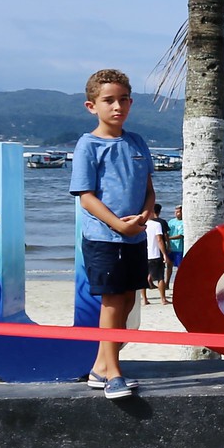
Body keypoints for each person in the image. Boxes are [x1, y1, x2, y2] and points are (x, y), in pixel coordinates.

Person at [69, 69, 156, 399]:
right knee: (112, 301)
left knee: (128, 300)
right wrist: (117, 224)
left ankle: (100, 368)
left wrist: (146, 213)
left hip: (135, 237)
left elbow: (148, 188)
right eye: (108, 101)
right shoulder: (88, 145)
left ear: (131, 103)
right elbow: (86, 196)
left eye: (123, 100)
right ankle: (113, 373)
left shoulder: (136, 142)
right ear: (92, 106)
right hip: (104, 238)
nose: (116, 107)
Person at [143, 203, 171, 306]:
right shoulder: (156, 225)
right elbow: (159, 239)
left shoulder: (142, 224)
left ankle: (145, 299)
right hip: (155, 254)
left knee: (144, 276)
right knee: (160, 277)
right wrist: (164, 254)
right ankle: (163, 299)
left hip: (144, 254)